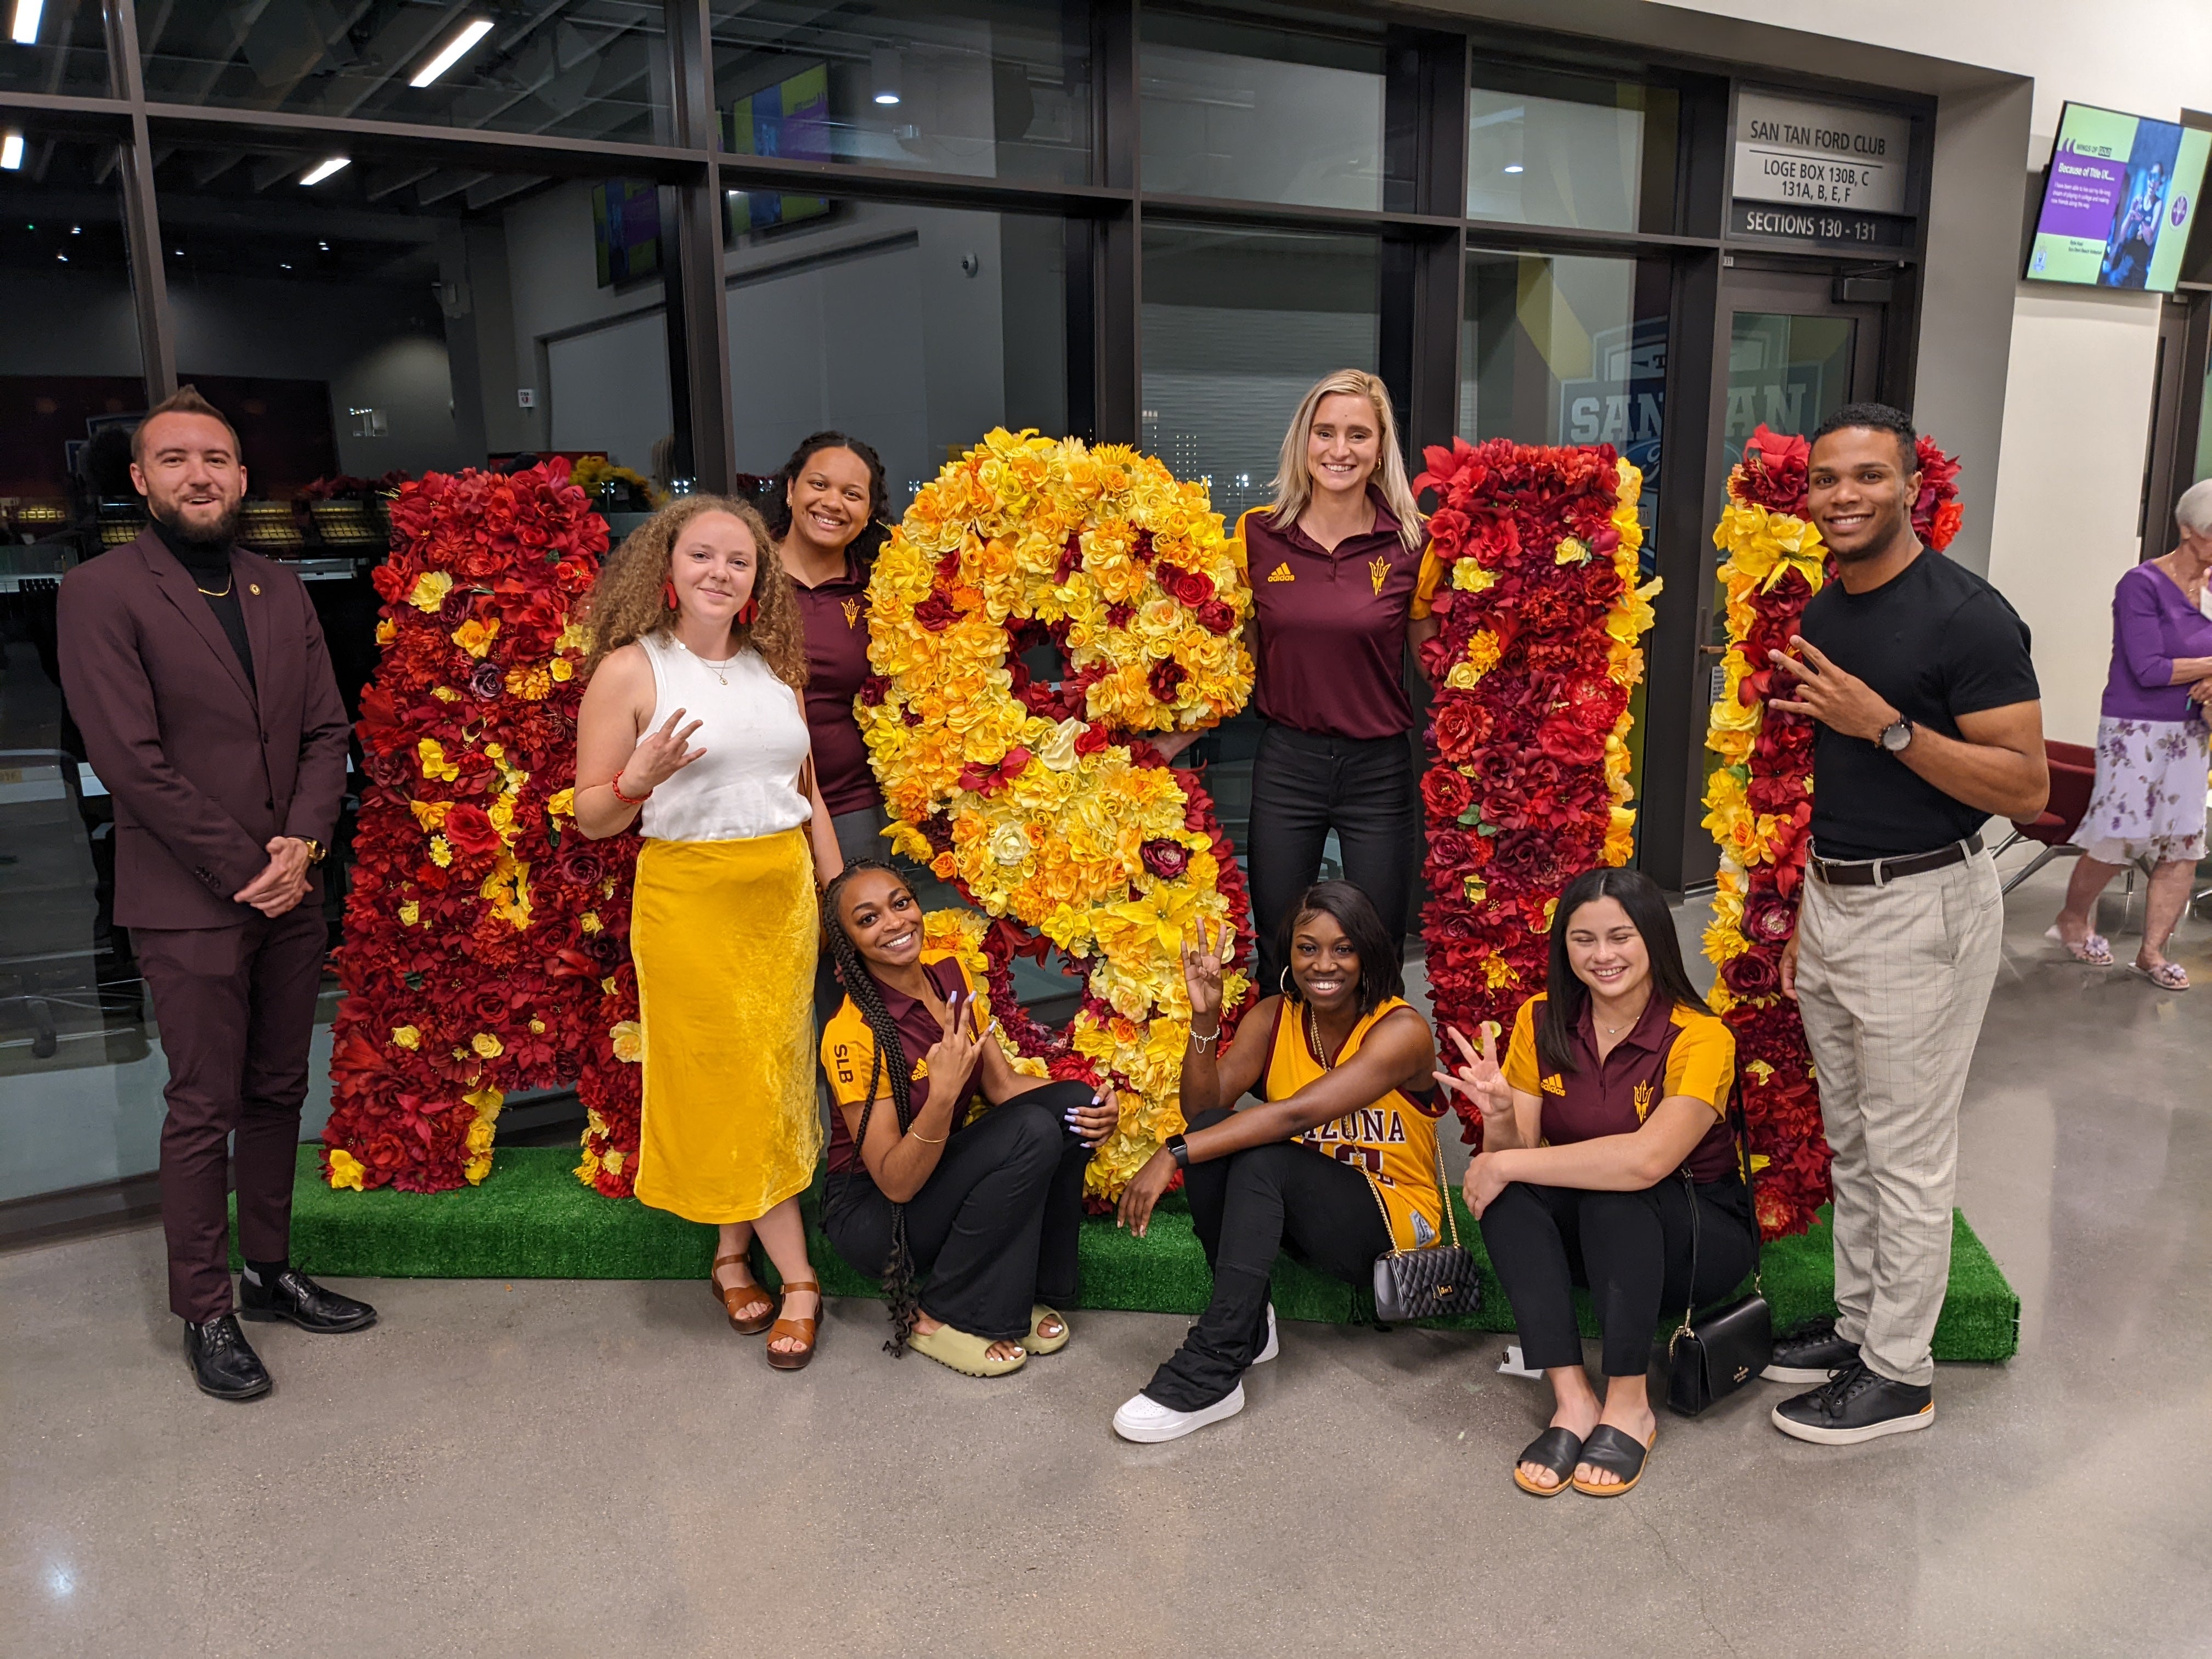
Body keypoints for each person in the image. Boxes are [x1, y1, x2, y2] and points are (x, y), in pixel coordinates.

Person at [58, 385, 374, 1402]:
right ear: (141, 479)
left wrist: (306, 844)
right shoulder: (100, 592)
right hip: (191, 897)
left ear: (242, 477)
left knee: (280, 1088)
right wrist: (252, 864)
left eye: (219, 458)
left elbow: (328, 730)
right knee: (203, 1104)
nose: (202, 474)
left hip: (292, 885)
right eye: (178, 458)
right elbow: (129, 759)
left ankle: (269, 1270)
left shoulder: (276, 588)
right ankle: (205, 1306)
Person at [1765, 402, 2048, 1445]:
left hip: (1923, 904)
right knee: (1854, 1143)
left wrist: (1883, 725)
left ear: (1910, 486)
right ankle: (1858, 1326)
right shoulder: (1831, 606)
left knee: (1907, 1153)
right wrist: (1813, 902)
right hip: (1839, 898)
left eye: (1867, 477)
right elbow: (1837, 777)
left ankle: (1899, 1373)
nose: (1843, 495)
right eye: (1826, 479)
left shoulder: (1968, 616)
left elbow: (2024, 786)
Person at [575, 495, 845, 1370]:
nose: (720, 573)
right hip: (690, 901)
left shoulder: (777, 668)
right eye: (703, 556)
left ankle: (732, 1254)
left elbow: (811, 797)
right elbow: (590, 820)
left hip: (783, 902)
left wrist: (836, 896)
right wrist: (637, 777)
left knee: (772, 1076)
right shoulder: (630, 670)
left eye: (739, 560)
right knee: (734, 1083)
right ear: (668, 567)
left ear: (758, 579)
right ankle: (799, 1277)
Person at [1438, 867, 1752, 1499]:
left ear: (1654, 940)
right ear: (1565, 947)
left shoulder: (1701, 1035)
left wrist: (1506, 1163)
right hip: (1600, 1235)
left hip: (1695, 1237)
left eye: (1620, 937)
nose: (1602, 956)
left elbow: (1646, 1162)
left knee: (1616, 1194)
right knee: (1507, 1194)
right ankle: (1573, 1398)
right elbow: (1519, 1154)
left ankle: (1630, 1403)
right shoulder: (1541, 1019)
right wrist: (1498, 1122)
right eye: (1583, 939)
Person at [1111, 881, 1443, 1442]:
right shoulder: (1274, 1017)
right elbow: (1203, 1110)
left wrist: (1172, 1154)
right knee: (1218, 1132)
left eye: (1343, 948)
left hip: (1394, 1225)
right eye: (1308, 948)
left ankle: (1213, 1368)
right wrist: (1205, 1019)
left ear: (1369, 952)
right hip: (1310, 1209)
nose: (1325, 964)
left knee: (1259, 1158)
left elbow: (1295, 1116)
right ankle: (1251, 1328)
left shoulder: (1401, 1030)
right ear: (1288, 955)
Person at [816, 860, 1118, 1376]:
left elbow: (1002, 1087)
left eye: (900, 903)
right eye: (867, 919)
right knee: (1031, 1131)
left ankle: (1022, 1290)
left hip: (933, 1178)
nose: (893, 923)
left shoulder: (949, 974)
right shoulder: (852, 1035)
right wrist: (943, 1095)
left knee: (1070, 1108)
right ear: (848, 941)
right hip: (876, 1218)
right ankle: (938, 1313)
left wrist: (1096, 1101)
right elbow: (894, 1184)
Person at [1228, 371, 1432, 997]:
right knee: (1280, 939)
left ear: (1379, 449)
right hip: (1289, 761)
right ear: (1303, 441)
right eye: (1325, 432)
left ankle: (1374, 1083)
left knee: (1377, 942)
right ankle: (1282, 1084)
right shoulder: (1256, 534)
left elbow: (1439, 669)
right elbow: (1237, 660)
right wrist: (1175, 736)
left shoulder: (1414, 541)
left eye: (1357, 434)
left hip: (1380, 769)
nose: (1339, 449)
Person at [2048, 478, 2212, 990]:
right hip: (2135, 727)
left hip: (2193, 730)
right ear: (2189, 530)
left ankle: (2152, 952)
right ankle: (2073, 917)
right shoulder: (2140, 584)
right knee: (2120, 835)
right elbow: (2148, 668)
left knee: (2185, 841)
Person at [768, 431, 896, 871]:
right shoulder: (742, 575)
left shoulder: (884, 591)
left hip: (853, 808)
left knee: (854, 938)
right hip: (753, 806)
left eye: (852, 494)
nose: (833, 503)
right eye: (819, 485)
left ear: (868, 512)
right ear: (791, 490)